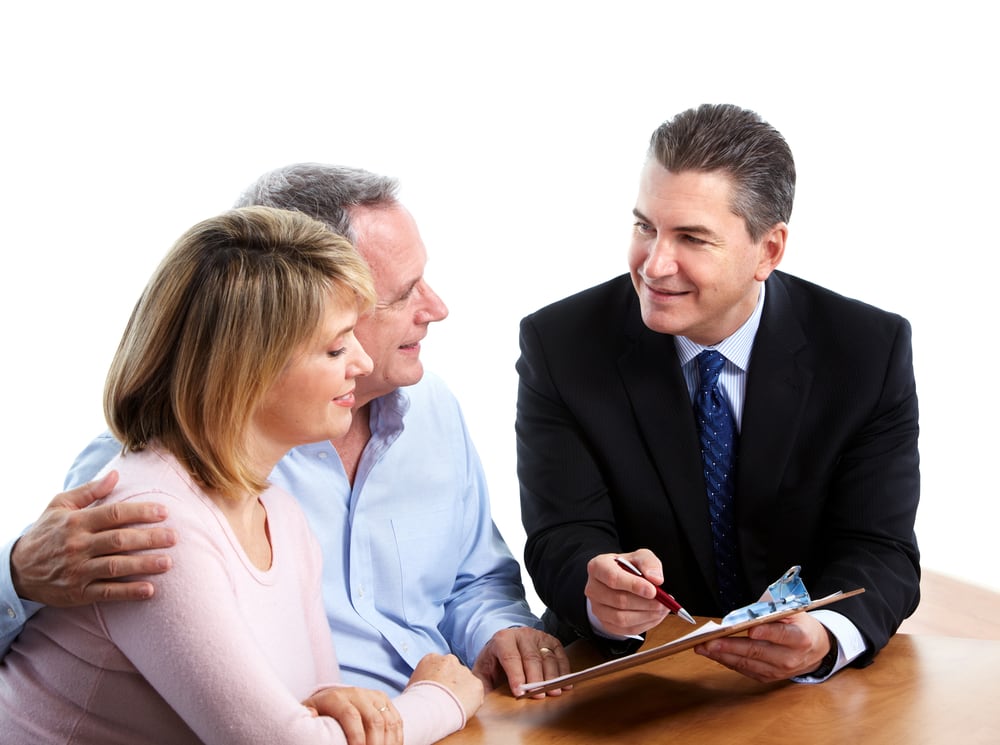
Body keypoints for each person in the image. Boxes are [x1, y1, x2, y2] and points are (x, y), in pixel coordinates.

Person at [0, 164, 569, 698]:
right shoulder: (160, 473)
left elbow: (475, 579)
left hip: (452, 715)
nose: (437, 308)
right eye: (401, 294)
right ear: (293, 314)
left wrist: (499, 631)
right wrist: (17, 575)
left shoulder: (433, 407)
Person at [516, 103, 920, 684]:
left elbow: (879, 548)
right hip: (627, 674)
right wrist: (598, 590)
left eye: (692, 238)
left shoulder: (866, 350)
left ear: (769, 251)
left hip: (797, 692)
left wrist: (826, 634)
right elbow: (561, 533)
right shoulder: (561, 344)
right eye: (644, 227)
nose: (654, 264)